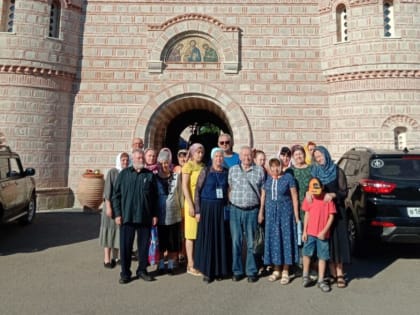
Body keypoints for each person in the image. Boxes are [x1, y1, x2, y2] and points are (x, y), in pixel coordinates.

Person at [112, 149, 158, 284]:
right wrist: (117, 214)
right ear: (133, 159)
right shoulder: (124, 175)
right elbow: (116, 196)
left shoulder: (149, 175)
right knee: (126, 246)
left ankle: (142, 270)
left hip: (145, 216)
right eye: (138, 158)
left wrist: (154, 214)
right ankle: (125, 273)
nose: (140, 160)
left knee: (143, 246)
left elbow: (155, 197)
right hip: (127, 216)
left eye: (142, 158)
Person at [310, 145, 351, 288]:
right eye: (316, 157)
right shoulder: (315, 171)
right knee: (327, 242)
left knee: (338, 241)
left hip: (337, 212)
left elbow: (344, 192)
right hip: (322, 213)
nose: (319, 159)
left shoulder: (337, 171)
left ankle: (340, 273)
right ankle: (331, 272)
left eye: (320, 156)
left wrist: (333, 195)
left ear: (326, 155)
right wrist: (309, 194)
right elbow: (312, 188)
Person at [258, 158, 299, 285]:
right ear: (270, 168)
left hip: (285, 214)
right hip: (271, 214)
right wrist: (261, 212)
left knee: (285, 239)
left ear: (281, 166)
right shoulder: (268, 180)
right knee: (274, 239)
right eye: (273, 167)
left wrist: (297, 217)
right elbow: (263, 196)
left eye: (278, 166)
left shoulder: (288, 178)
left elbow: (294, 197)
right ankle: (276, 269)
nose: (276, 169)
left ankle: (286, 269)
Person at [229, 146, 265, 283]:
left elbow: (263, 193)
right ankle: (237, 271)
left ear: (252, 156)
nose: (246, 157)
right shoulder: (233, 170)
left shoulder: (259, 171)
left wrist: (261, 211)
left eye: (249, 155)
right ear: (239, 157)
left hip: (252, 211)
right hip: (235, 210)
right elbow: (230, 188)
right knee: (236, 242)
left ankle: (251, 271)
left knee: (251, 243)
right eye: (244, 155)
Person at [194, 148, 230, 283]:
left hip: (221, 209)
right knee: (208, 239)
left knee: (220, 239)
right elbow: (197, 191)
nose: (219, 159)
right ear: (212, 158)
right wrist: (197, 211)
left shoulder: (226, 172)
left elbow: (228, 191)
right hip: (207, 209)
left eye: (221, 156)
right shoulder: (206, 171)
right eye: (216, 156)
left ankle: (219, 269)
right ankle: (208, 271)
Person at [301, 177, 336, 292]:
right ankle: (305, 276)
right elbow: (307, 214)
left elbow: (331, 216)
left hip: (322, 235)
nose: (316, 193)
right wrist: (304, 231)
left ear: (322, 187)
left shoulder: (327, 199)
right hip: (310, 232)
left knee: (323, 256)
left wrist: (324, 231)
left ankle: (321, 280)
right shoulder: (309, 198)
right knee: (306, 253)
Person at [99, 152, 129, 269]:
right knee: (109, 232)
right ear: (119, 161)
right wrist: (109, 207)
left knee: (118, 232)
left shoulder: (128, 173)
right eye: (123, 160)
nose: (125, 162)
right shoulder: (113, 172)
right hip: (110, 207)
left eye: (127, 160)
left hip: (121, 208)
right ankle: (107, 258)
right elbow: (107, 191)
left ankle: (116, 258)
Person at [156, 148, 183, 275]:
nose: (164, 165)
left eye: (166, 162)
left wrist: (182, 211)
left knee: (173, 241)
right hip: (160, 216)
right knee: (161, 242)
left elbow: (180, 194)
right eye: (161, 163)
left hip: (174, 214)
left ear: (169, 163)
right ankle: (161, 264)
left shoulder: (176, 177)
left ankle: (171, 264)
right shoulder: (154, 178)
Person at [182, 143, 205, 276]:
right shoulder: (188, 166)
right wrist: (191, 205)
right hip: (191, 203)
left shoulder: (203, 166)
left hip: (201, 204)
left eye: (201, 152)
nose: (200, 155)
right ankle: (190, 264)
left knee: (198, 234)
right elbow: (185, 186)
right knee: (190, 235)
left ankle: (198, 261)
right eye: (197, 152)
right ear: (192, 152)